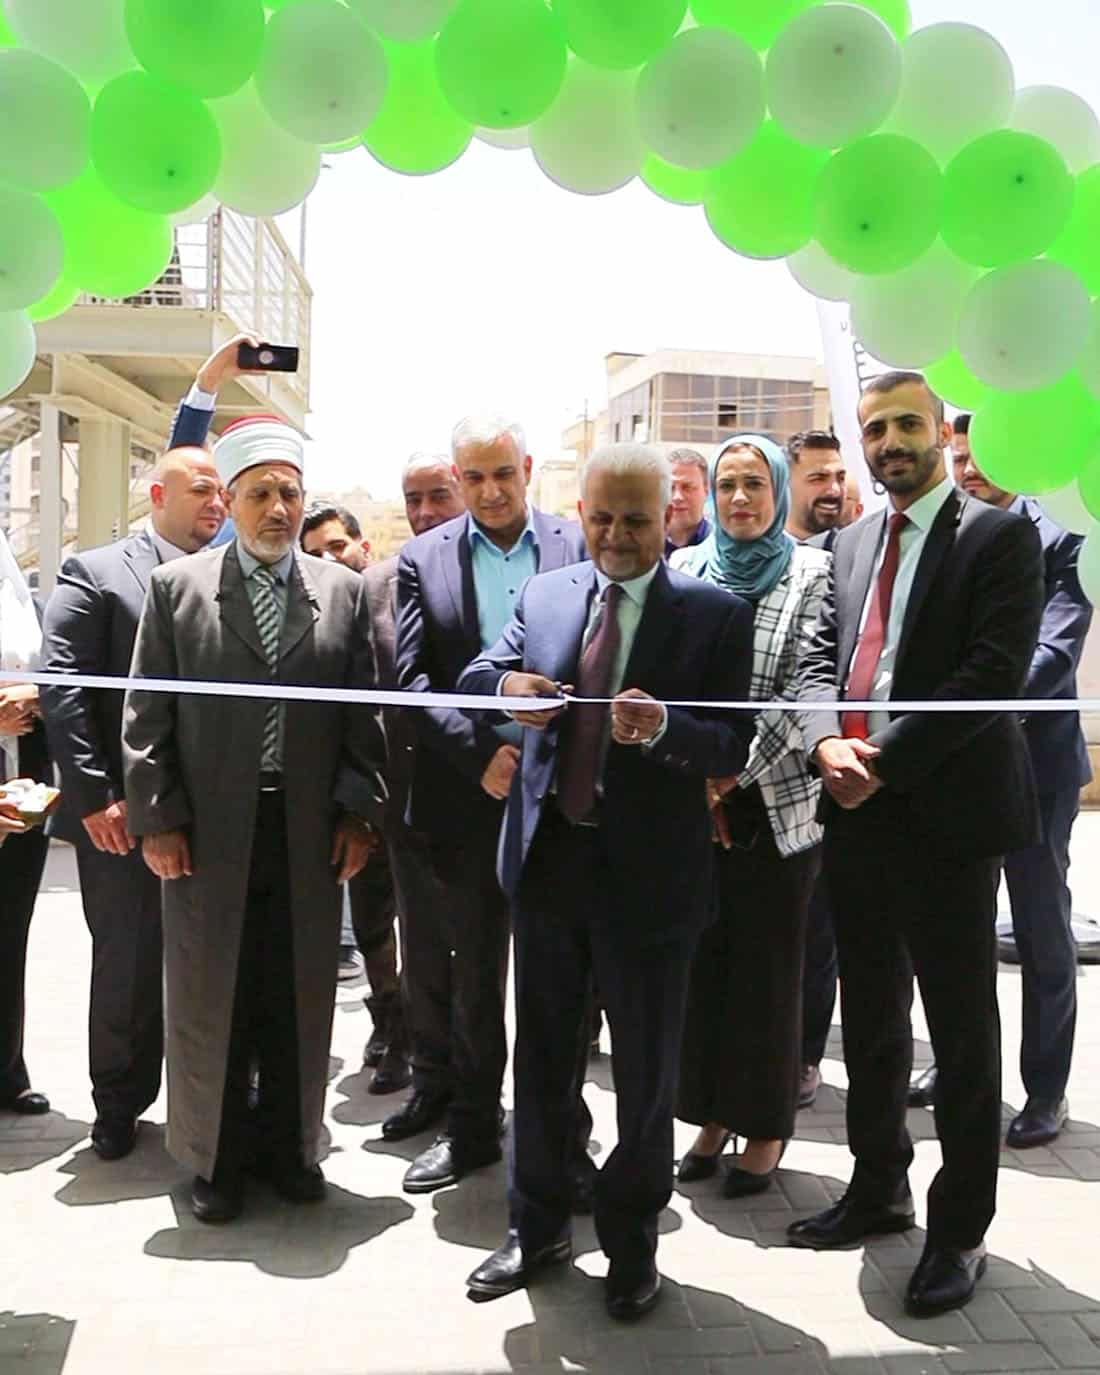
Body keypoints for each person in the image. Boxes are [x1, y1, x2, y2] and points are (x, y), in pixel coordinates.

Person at [458, 443, 754, 1319]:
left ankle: (632, 1246)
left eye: (636, 519)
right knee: (543, 1062)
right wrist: (508, 686)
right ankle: (537, 1225)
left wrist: (665, 730)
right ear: (580, 513)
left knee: (645, 1077)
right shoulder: (548, 593)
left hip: (651, 885)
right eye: (601, 518)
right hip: (550, 868)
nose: (617, 536)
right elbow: (478, 675)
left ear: (670, 518)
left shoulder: (714, 614)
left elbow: (733, 742)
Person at [789, 372, 1043, 1320]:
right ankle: (877, 1187)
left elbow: (991, 674)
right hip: (853, 807)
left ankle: (960, 1228)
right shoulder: (849, 542)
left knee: (962, 1029)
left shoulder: (998, 537)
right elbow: (818, 660)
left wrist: (885, 761)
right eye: (874, 429)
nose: (889, 441)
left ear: (938, 431)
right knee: (872, 1016)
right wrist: (826, 742)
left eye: (905, 424)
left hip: (948, 817)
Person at [122, 413, 387, 1223]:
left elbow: (364, 716)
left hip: (306, 830)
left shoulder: (341, 592)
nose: (278, 509)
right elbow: (146, 715)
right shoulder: (178, 590)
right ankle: (216, 1158)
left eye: (290, 494)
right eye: (261, 493)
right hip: (208, 831)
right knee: (213, 993)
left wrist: (357, 812)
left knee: (294, 990)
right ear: (230, 500)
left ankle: (291, 1148)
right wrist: (158, 818)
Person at [392, 414, 588, 1193]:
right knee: (474, 978)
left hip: (562, 796)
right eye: (473, 477)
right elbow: (411, 682)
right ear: (458, 477)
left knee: (561, 982)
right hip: (469, 797)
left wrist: (550, 755)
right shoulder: (422, 558)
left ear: (528, 468)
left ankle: (565, 1141)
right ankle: (472, 1128)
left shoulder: (577, 543)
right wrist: (481, 755)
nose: (490, 491)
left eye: (503, 473)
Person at [908, 415, 1092, 1149]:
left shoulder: (1064, 538)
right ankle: (958, 1065)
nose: (969, 470)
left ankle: (1045, 1089)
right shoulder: (941, 533)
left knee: (1042, 930)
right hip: (955, 769)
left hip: (1035, 770)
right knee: (957, 929)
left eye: (981, 457)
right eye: (958, 458)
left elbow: (1053, 654)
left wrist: (966, 700)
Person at [40, 446, 227, 1159]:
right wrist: (96, 798)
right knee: (128, 959)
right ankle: (119, 1103)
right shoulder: (95, 574)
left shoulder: (231, 574)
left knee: (215, 958)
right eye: (201, 489)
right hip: (121, 814)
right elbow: (64, 688)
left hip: (215, 807)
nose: (216, 503)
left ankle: (214, 1102)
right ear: (157, 495)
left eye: (221, 491)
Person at [672, 436, 829, 1194]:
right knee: (703, 968)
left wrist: (729, 772)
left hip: (776, 803)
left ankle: (764, 1128)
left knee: (767, 973)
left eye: (755, 484)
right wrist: (698, 778)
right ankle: (709, 1114)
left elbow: (806, 684)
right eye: (727, 484)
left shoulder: (812, 573)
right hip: (694, 805)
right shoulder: (685, 568)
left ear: (778, 491)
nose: (739, 498)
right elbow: (673, 677)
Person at [355, 455, 468, 1106]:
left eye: (438, 496)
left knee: (476, 958)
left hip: (482, 795)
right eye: (412, 499)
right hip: (398, 799)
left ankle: (475, 1094)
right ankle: (423, 1071)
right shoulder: (374, 586)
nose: (424, 512)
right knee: (414, 948)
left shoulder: (490, 575)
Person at [299, 502, 410, 1096]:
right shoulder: (310, 611)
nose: (329, 559)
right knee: (370, 922)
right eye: (315, 552)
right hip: (354, 796)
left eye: (337, 546)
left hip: (414, 789)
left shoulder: (396, 594)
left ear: (363, 546)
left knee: (418, 924)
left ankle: (411, 1033)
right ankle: (387, 1016)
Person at [788, 442, 863, 1109]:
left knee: (820, 937)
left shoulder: (849, 557)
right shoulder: (762, 559)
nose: (833, 488)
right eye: (817, 477)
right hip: (763, 786)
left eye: (839, 475)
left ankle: (805, 1057)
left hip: (839, 778)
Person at [0, 529, 51, 1116]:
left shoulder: (23, 598)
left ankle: (8, 1070)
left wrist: (36, 696)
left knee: (11, 934)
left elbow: (57, 675)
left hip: (23, 794)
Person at [786, 431, 846, 546]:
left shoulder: (857, 552)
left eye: (841, 478)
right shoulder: (755, 552)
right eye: (819, 478)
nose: (835, 490)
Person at [664, 448, 711, 557]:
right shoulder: (642, 547)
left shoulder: (719, 549)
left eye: (688, 487)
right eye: (670, 487)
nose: (677, 497)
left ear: (706, 490)